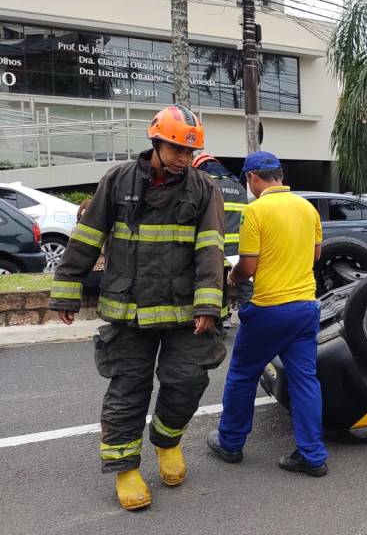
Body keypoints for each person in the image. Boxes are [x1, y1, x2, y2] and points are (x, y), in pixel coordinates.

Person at [48, 104, 226, 511]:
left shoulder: (204, 188)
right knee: (127, 390)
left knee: (188, 381)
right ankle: (126, 469)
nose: (184, 159)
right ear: (156, 142)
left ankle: (167, 441)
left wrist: (208, 304)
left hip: (184, 311)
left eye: (190, 151)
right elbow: (88, 235)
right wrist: (66, 289)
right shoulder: (119, 180)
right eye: (177, 149)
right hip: (128, 308)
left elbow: (210, 249)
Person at [207, 150, 328, 477]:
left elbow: (248, 266)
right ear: (280, 175)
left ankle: (230, 443)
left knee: (243, 375)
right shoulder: (307, 208)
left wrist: (233, 278)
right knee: (305, 381)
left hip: (269, 308)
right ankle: (313, 456)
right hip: (305, 307)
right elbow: (316, 255)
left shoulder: (255, 211)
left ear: (252, 178)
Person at [192, 152, 251, 323]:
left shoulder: (203, 184)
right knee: (246, 288)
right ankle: (252, 320)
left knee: (215, 288)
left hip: (213, 249)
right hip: (238, 250)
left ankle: (219, 321)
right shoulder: (238, 186)